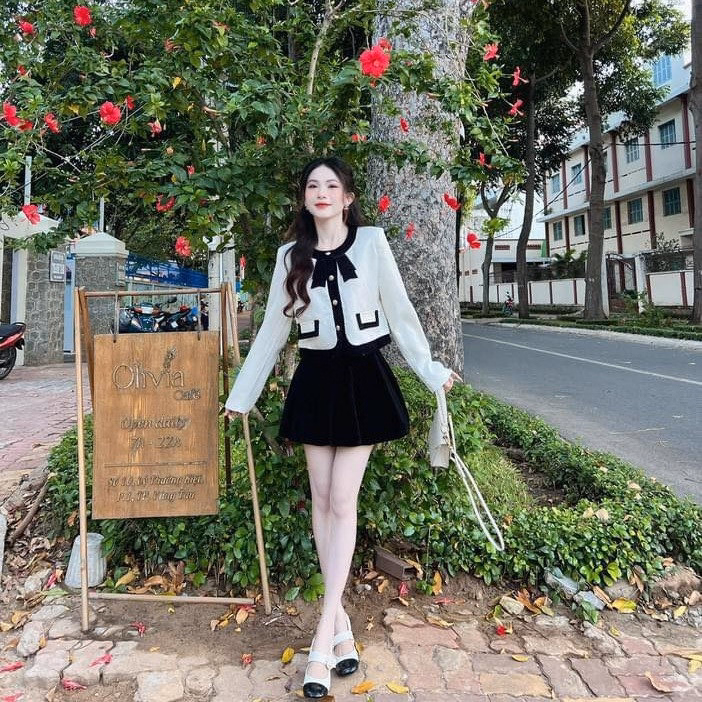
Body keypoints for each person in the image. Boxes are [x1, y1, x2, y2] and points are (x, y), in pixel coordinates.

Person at [224, 156, 460, 699]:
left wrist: (429, 370)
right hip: (316, 380)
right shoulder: (290, 255)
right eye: (313, 185)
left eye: (331, 185)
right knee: (322, 497)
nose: (322, 192)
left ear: (348, 197)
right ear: (304, 197)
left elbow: (400, 313)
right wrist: (243, 395)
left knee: (342, 500)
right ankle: (341, 630)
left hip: (363, 379)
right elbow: (272, 330)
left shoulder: (372, 243)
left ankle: (319, 642)